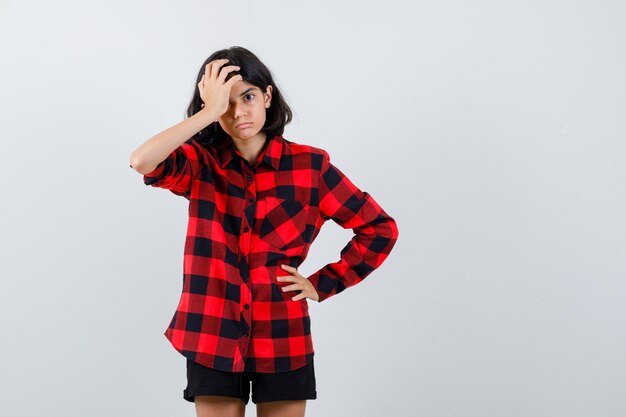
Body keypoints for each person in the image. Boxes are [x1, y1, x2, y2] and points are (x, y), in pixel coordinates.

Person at [129, 46, 399, 417]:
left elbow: (378, 229)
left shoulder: (310, 167)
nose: (238, 112)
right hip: (211, 329)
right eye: (226, 103)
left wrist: (322, 284)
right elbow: (142, 161)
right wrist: (208, 112)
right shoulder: (200, 162)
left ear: (268, 96)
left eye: (248, 96)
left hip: (282, 332)